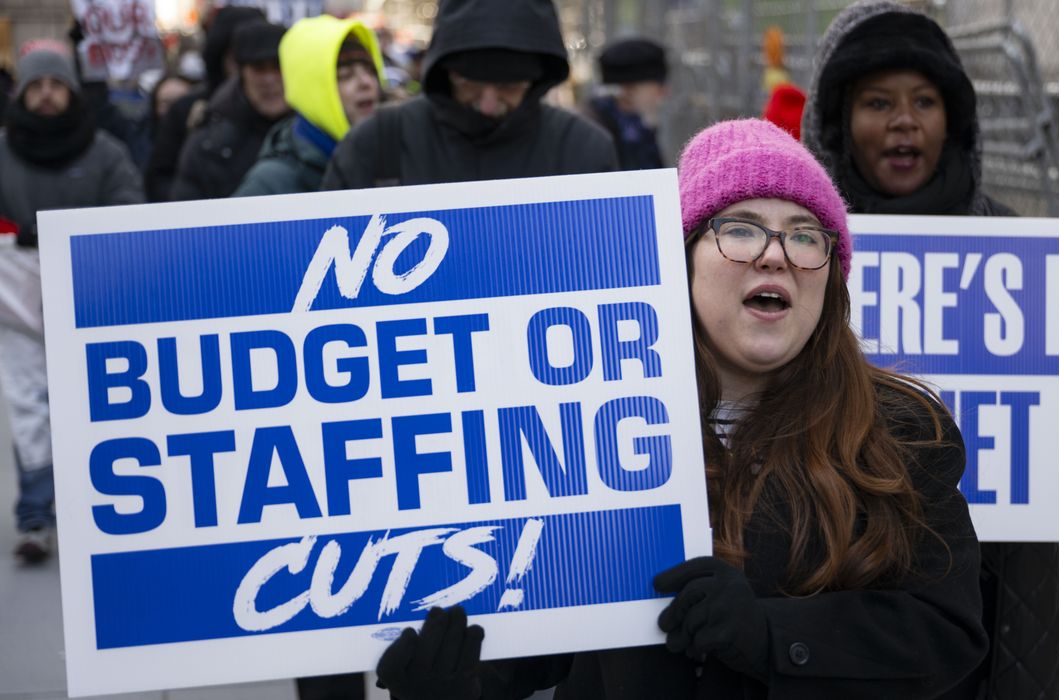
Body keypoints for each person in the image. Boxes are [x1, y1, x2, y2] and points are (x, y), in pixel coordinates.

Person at [372, 119, 988, 699]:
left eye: (805, 235)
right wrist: (463, 681)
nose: (776, 255)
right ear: (682, 259)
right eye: (741, 228)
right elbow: (541, 629)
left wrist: (774, 636)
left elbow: (944, 633)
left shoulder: (901, 432)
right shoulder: (581, 416)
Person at [799, 2, 1059, 697]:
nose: (904, 120)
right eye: (877, 101)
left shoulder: (1027, 253)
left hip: (998, 621)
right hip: (836, 615)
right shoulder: (793, 254)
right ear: (835, 122)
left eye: (925, 100)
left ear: (955, 121)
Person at [0, 46, 143, 564]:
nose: (45, 95)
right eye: (36, 86)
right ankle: (36, 514)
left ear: (72, 93)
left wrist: (77, 237)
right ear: (22, 95)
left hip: (90, 300)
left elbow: (130, 206)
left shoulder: (104, 153)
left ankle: (99, 511)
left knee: (95, 404)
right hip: (17, 300)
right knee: (29, 404)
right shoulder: (3, 152)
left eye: (56, 85)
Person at [321, 0, 617, 190]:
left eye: (509, 86)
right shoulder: (377, 142)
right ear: (445, 71)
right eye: (470, 84)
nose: (488, 103)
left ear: (537, 79)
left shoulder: (583, 150)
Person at [233, 16, 383, 196]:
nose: (366, 82)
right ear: (313, 91)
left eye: (370, 70)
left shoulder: (393, 156)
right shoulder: (270, 184)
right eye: (345, 74)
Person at [145, 5, 266, 202]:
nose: (263, 79)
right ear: (220, 57)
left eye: (267, 65)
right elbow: (160, 180)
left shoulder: (280, 111)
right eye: (239, 60)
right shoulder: (185, 110)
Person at [169, 19, 288, 200]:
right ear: (241, 74)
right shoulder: (208, 143)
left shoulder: (315, 135)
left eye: (278, 67)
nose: (269, 80)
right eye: (259, 68)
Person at [580, 37, 668, 170]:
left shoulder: (635, 126)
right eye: (658, 87)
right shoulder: (594, 135)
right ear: (629, 90)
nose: (664, 93)